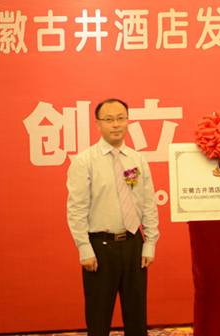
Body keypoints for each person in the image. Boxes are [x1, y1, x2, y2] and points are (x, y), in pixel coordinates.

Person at [67, 98, 159, 336]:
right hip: (100, 247)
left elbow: (148, 203)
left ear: (128, 121)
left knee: (137, 315)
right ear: (98, 124)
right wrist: (84, 248)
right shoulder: (85, 161)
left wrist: (149, 243)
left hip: (134, 243)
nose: (116, 124)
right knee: (99, 316)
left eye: (120, 118)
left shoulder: (137, 160)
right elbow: (76, 209)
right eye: (109, 119)